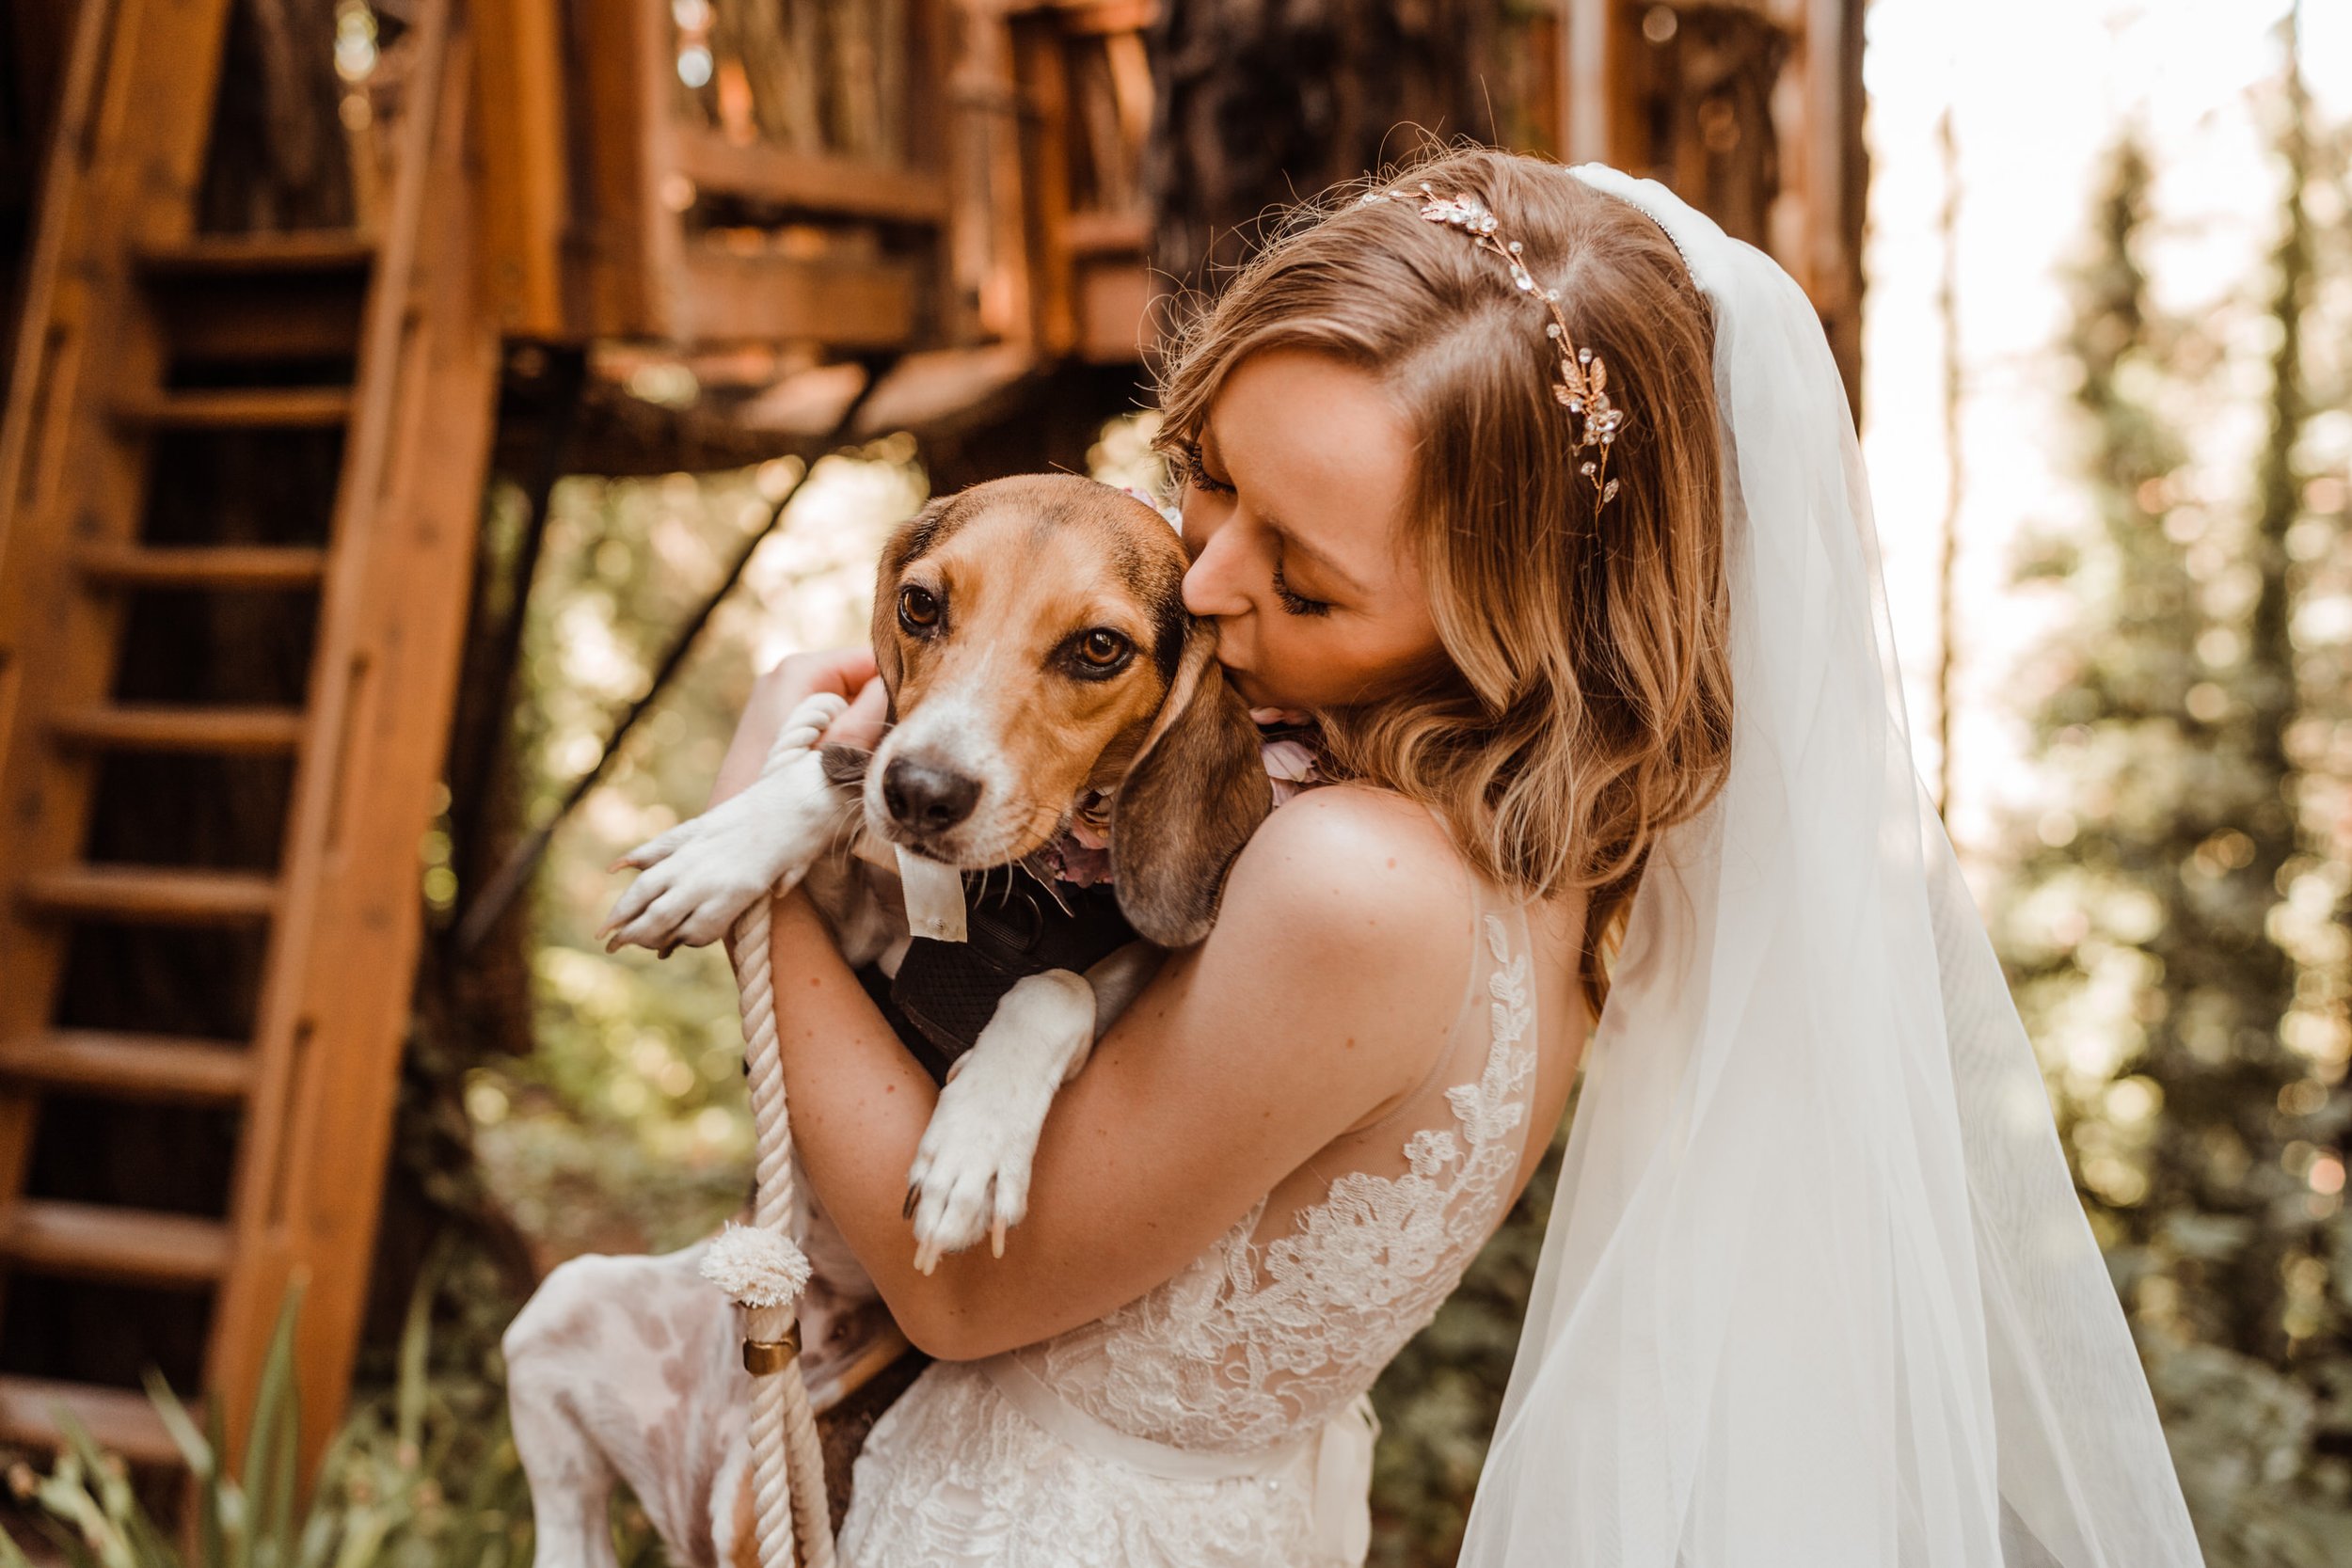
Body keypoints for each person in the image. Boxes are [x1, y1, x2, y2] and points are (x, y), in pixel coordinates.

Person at [709, 148, 2203, 1566]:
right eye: (1206, 473)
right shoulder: (1532, 855)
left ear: (1508, 632)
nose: (1210, 581)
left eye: (1303, 575)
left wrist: (761, 825)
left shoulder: (1357, 880)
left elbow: (959, 1288)